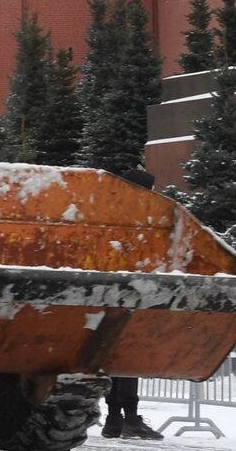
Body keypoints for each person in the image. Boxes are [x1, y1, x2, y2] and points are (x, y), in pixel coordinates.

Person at [102, 167, 165, 441]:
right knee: (129, 359)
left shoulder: (112, 211)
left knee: (116, 360)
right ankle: (130, 420)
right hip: (132, 291)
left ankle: (114, 419)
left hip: (110, 293)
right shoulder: (139, 216)